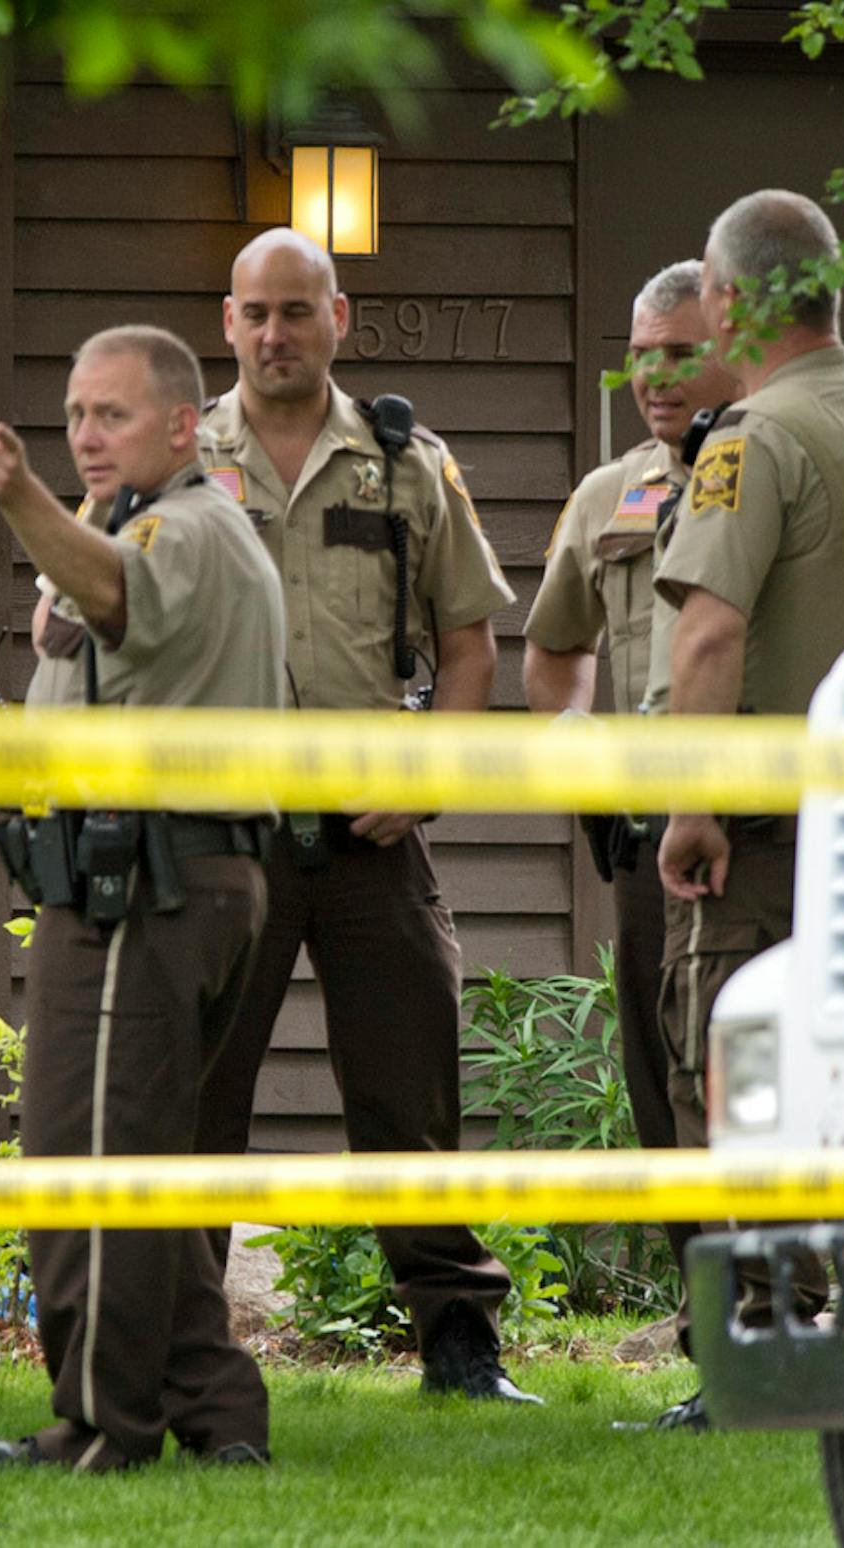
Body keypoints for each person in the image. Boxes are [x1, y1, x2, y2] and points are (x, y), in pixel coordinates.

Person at [191, 229, 537, 1403]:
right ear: (226, 321)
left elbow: (469, 642)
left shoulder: (409, 464)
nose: (277, 334)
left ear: (341, 317)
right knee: (197, 1091)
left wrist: (431, 773)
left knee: (411, 1086)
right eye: (257, 314)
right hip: (221, 826)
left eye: (299, 311)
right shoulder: (180, 458)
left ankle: (458, 1343)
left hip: (369, 830)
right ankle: (185, 1342)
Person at [648, 190, 844, 1429]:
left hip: (772, 835)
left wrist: (691, 807)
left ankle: (766, 1359)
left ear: (730, 298)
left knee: (734, 1072)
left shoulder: (752, 439)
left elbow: (710, 631)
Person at [0, 325, 285, 1472]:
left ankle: (103, 1427)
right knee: (131, 1153)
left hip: (149, 885)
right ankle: (217, 1413)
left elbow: (114, 599)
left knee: (83, 1159)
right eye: (77, 413)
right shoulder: (133, 519)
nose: (87, 435)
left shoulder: (185, 526)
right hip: (138, 878)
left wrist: (19, 499)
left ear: (186, 424)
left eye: (115, 415)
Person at [524, 259, 739, 1173]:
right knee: (660, 1055)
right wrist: (571, 729)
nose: (654, 376)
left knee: (754, 1048)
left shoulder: (776, 468)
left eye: (680, 353)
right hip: (652, 826)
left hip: (764, 810)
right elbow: (554, 647)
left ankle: (791, 1291)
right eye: (639, 355)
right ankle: (702, 1292)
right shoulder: (610, 495)